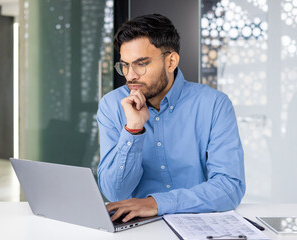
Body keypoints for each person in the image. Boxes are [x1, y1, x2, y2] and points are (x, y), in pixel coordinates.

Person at [97, 14, 245, 223]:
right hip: (136, 229)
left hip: (199, 224)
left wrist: (156, 203)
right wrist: (133, 130)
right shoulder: (111, 105)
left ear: (171, 61)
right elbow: (115, 192)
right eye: (125, 65)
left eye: (141, 64)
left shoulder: (214, 105)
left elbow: (229, 188)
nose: (130, 76)